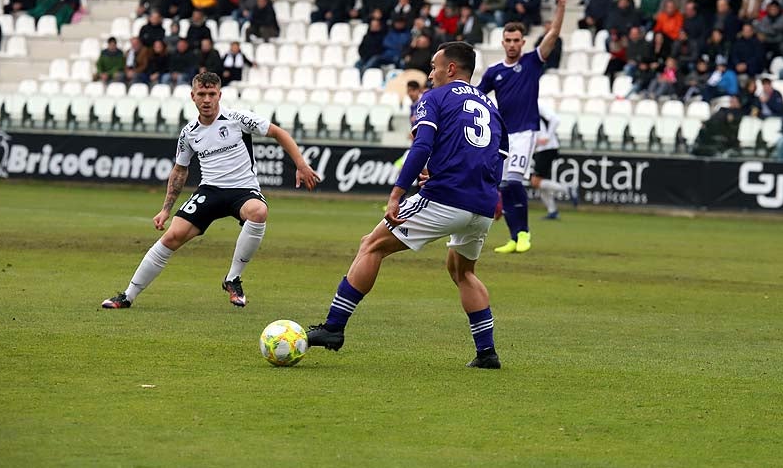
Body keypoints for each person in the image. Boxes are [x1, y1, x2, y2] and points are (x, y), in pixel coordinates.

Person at [305, 42, 507, 369]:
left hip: (447, 197)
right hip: (482, 205)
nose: (430, 73)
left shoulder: (434, 98)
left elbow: (422, 145)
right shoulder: (493, 109)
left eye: (434, 66)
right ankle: (487, 353)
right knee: (462, 271)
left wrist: (397, 193)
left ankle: (334, 328)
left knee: (371, 245)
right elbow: (495, 161)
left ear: (451, 69)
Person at [102, 72, 320, 309]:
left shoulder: (238, 118)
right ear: (193, 96)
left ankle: (232, 279)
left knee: (258, 212)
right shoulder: (189, 133)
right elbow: (179, 171)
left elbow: (278, 132)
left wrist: (301, 164)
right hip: (210, 191)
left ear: (219, 95)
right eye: (202, 94)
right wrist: (165, 210)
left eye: (212, 94)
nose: (207, 99)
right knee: (172, 236)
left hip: (243, 190)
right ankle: (128, 295)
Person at [476, 0, 567, 254]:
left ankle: (524, 233)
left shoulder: (532, 62)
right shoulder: (494, 72)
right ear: (502, 42)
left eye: (517, 40)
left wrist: (561, 6)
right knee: (503, 186)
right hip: (504, 135)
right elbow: (477, 97)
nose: (513, 44)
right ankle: (514, 238)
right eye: (509, 40)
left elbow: (552, 36)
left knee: (513, 181)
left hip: (526, 132)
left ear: (523, 42)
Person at [531, 104, 578, 220]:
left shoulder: (537, 106)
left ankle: (568, 189)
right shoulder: (525, 110)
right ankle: (552, 211)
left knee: (535, 182)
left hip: (547, 148)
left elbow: (555, 119)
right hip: (540, 149)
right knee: (540, 183)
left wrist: (547, 136)